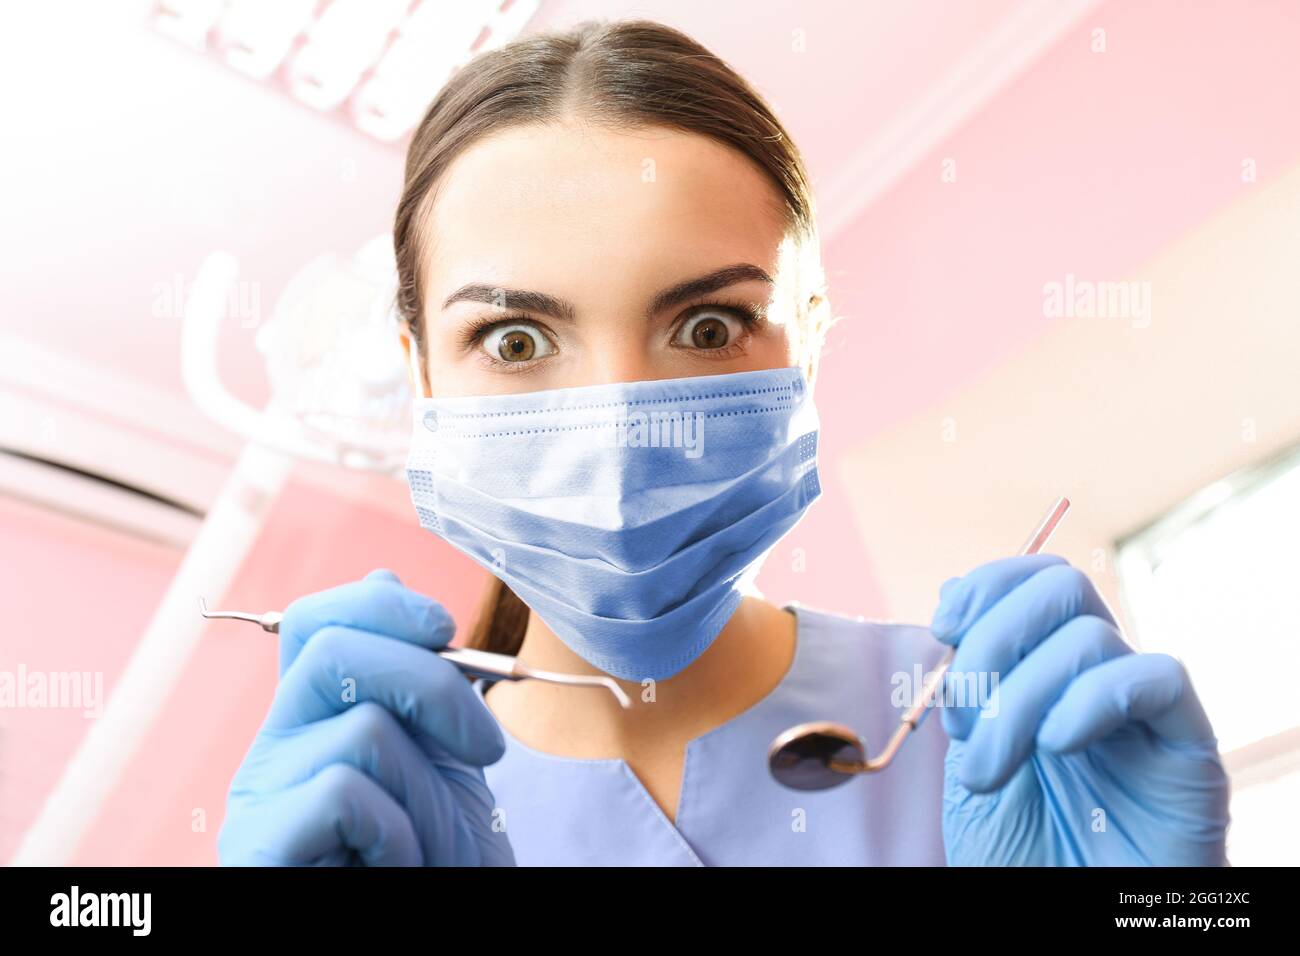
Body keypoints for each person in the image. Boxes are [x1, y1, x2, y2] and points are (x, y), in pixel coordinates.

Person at [218, 19, 1230, 866]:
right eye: (515, 339)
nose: (618, 433)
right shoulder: (375, 805)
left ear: (811, 339)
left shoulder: (1001, 732)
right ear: (422, 370)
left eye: (706, 327)